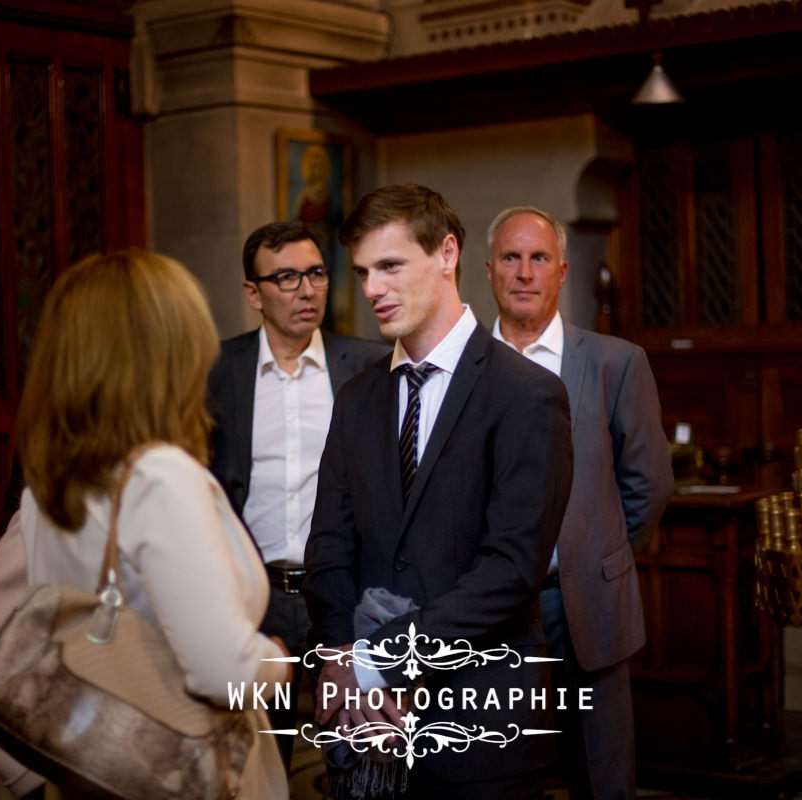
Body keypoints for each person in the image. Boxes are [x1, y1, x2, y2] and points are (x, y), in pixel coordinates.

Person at [0, 249, 289, 800]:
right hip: (190, 775)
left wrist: (36, 773)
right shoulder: (160, 477)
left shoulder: (55, 487)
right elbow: (223, 674)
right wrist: (278, 663)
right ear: (170, 352)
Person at [303, 184, 574, 799]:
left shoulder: (525, 394)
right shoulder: (358, 398)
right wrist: (346, 661)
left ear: (447, 254)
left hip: (481, 726)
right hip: (365, 734)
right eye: (365, 271)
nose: (372, 288)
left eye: (391, 266)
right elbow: (329, 548)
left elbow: (510, 570)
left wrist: (379, 663)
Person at [485, 207, 673, 800]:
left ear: (562, 272)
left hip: (587, 606)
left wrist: (594, 554)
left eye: (538, 258)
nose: (524, 272)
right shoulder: (464, 368)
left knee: (603, 779)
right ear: (488, 271)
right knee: (499, 776)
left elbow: (649, 485)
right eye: (510, 258)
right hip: (490, 615)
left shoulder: (616, 363)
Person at [207, 220, 388, 766]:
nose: (306, 290)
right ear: (252, 293)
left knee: (356, 755)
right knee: (257, 761)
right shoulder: (216, 370)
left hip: (341, 596)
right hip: (250, 598)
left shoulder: (369, 366)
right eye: (286, 277)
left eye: (315, 273)